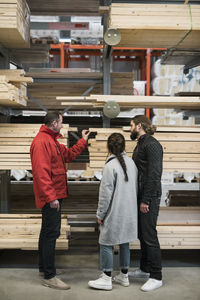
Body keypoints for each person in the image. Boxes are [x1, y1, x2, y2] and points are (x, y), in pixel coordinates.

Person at [30, 111, 89, 290]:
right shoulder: (42, 142)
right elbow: (41, 174)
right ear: (54, 123)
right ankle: (49, 276)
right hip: (52, 197)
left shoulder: (52, 141)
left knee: (46, 232)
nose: (63, 125)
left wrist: (83, 141)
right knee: (51, 234)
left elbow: (68, 155)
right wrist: (51, 197)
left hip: (55, 194)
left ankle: (45, 268)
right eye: (61, 123)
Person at [88, 133, 138, 291]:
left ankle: (106, 278)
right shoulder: (132, 163)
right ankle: (124, 276)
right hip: (129, 212)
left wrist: (100, 214)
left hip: (114, 212)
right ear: (124, 146)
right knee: (124, 243)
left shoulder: (110, 166)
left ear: (108, 147)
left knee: (105, 243)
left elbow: (105, 195)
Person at [129, 115, 163, 292]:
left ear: (139, 125)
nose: (129, 129)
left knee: (149, 235)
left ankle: (156, 276)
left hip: (149, 197)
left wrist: (146, 200)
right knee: (142, 234)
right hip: (141, 195)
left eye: (131, 125)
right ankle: (144, 269)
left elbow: (154, 175)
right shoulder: (141, 143)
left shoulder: (152, 144)